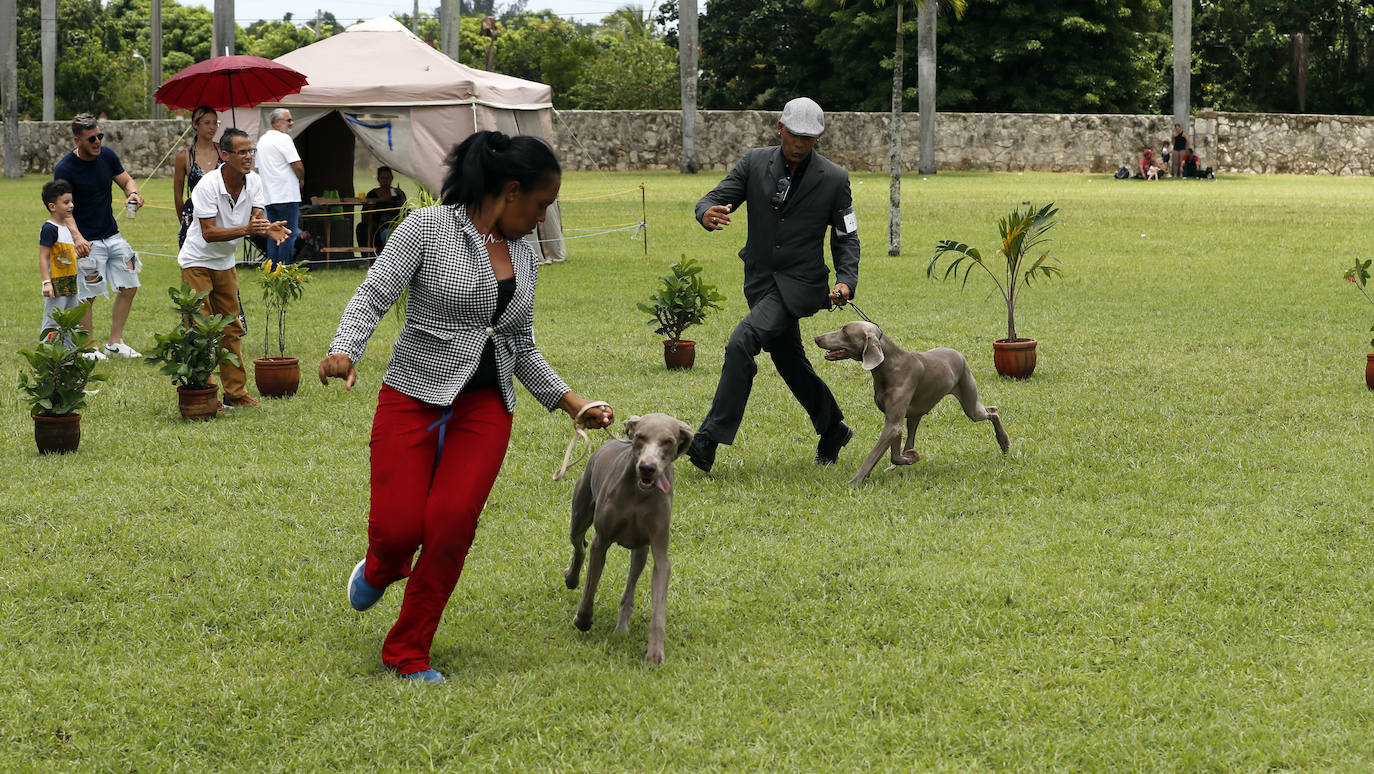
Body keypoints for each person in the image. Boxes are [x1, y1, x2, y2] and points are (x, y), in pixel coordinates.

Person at [319, 130, 614, 684]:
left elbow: (519, 343)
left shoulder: (524, 254)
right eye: (541, 205)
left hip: (486, 407)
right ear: (511, 190)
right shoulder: (426, 229)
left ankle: (408, 651)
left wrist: (571, 402)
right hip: (412, 393)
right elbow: (373, 296)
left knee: (451, 526)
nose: (543, 219)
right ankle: (381, 566)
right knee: (398, 530)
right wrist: (344, 350)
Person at [686, 96, 860, 473]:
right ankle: (833, 427)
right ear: (780, 128)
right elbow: (715, 197)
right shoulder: (753, 162)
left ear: (818, 138)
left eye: (808, 139)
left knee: (741, 343)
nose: (799, 144)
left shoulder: (834, 179)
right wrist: (705, 212)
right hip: (760, 281)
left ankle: (708, 439)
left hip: (800, 284)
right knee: (790, 362)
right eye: (794, 135)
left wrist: (846, 279)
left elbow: (846, 235)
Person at [178, 128, 289, 410]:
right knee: (200, 329)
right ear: (225, 155)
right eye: (242, 152)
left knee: (232, 327)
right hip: (197, 261)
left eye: (250, 151)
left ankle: (236, 394)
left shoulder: (255, 181)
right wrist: (248, 229)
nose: (248, 156)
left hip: (225, 263)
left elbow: (257, 218)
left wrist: (266, 227)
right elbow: (208, 233)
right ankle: (204, 391)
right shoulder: (207, 185)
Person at [53, 113, 144, 360]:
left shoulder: (107, 156)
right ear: (77, 140)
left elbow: (126, 180)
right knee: (88, 294)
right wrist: (77, 238)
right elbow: (63, 208)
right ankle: (87, 348)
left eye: (99, 136)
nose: (97, 142)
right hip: (86, 241)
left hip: (113, 236)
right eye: (91, 138)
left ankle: (115, 343)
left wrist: (133, 193)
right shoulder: (65, 168)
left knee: (130, 284)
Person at [37, 180, 82, 348]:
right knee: (53, 323)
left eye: (71, 201)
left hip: (71, 283)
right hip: (56, 286)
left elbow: (65, 255)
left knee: (71, 322)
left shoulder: (67, 228)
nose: (71, 205)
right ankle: (47, 352)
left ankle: (69, 353)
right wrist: (46, 283)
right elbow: (43, 257)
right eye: (66, 202)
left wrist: (78, 254)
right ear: (52, 206)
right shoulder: (50, 229)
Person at [256, 108, 304, 267]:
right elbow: (297, 165)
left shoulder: (262, 141)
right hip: (287, 195)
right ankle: (284, 271)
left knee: (273, 234)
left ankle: (272, 271)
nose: (291, 123)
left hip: (269, 196)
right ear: (276, 122)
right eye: (288, 120)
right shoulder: (284, 138)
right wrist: (301, 179)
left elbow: (258, 167)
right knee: (287, 235)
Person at [172, 106, 222, 247]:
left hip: (220, 215)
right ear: (195, 124)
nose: (212, 127)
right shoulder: (184, 157)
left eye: (215, 123)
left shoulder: (223, 152)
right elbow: (178, 195)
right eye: (207, 123)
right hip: (193, 215)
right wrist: (183, 221)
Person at [356, 165, 407, 251]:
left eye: (387, 178)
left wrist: (401, 195)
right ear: (378, 179)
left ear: (392, 179)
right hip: (375, 226)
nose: (385, 181)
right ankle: (368, 255)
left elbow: (405, 210)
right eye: (382, 178)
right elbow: (364, 213)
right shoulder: (372, 194)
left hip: (393, 224)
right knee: (361, 227)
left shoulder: (396, 193)